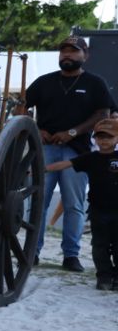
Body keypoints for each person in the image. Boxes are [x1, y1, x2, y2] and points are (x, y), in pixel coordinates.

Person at [25, 36, 114, 271]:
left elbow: (104, 112)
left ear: (85, 55)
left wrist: (73, 132)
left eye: (74, 51)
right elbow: (22, 105)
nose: (67, 55)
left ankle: (71, 256)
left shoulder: (95, 83)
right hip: (45, 148)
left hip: (79, 151)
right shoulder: (44, 82)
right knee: (38, 202)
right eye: (63, 51)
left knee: (74, 204)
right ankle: (32, 252)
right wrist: (36, 128)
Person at [47, 116, 118, 290]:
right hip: (98, 210)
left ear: (117, 138)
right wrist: (42, 168)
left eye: (109, 137)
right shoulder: (90, 158)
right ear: (94, 138)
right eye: (100, 137)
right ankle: (104, 277)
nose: (104, 140)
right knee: (99, 246)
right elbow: (65, 164)